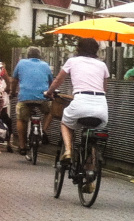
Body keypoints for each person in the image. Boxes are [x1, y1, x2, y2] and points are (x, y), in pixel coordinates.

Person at [47, 37, 111, 172]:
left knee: (65, 123)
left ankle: (69, 151)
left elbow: (58, 80)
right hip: (101, 107)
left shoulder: (72, 61)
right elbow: (104, 89)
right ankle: (90, 175)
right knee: (92, 137)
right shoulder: (102, 65)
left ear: (78, 48)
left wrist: (49, 92)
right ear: (96, 50)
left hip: (80, 101)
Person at [11, 46, 53, 155]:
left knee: (21, 118)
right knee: (50, 111)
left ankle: (22, 146)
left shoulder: (21, 63)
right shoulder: (45, 65)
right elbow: (50, 83)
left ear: (28, 56)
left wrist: (12, 92)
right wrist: (50, 94)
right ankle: (43, 131)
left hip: (25, 97)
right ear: (40, 56)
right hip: (42, 97)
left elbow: (14, 80)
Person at [0, 62, 12, 152]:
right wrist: (8, 88)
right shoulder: (1, 67)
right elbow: (8, 80)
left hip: (2, 97)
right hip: (2, 98)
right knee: (6, 120)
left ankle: (8, 143)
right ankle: (9, 143)